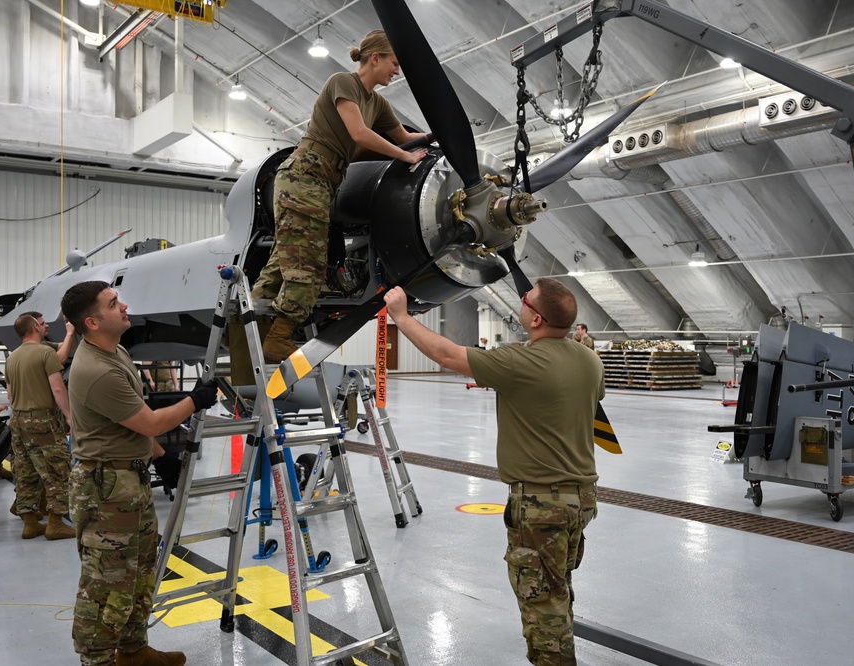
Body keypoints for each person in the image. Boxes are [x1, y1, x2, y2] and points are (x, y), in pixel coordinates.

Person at [384, 279, 605, 666]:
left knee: (542, 604)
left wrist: (400, 317)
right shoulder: (589, 360)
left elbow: (450, 356)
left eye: (525, 300)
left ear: (536, 319)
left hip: (540, 504)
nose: (521, 302)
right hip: (581, 499)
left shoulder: (521, 362)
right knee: (558, 588)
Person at [61, 280, 218, 666]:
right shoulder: (98, 369)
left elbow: (128, 426)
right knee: (105, 582)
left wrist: (162, 457)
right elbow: (148, 422)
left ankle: (132, 650)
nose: (125, 306)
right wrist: (194, 400)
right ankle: (96, 660)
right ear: (93, 322)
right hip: (105, 491)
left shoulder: (116, 353)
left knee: (141, 572)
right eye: (114, 304)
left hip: (128, 481)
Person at [252, 29, 430, 362]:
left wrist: (433, 137)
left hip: (323, 181)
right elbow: (359, 133)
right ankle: (276, 338)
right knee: (309, 264)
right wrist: (404, 156)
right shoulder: (343, 82)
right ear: (375, 58)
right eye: (394, 63)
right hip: (305, 174)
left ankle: (253, 325)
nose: (397, 71)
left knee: (282, 261)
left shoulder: (378, 103)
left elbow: (404, 136)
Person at [6, 312, 76, 540]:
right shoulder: (45, 353)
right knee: (57, 470)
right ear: (35, 327)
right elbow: (57, 389)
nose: (46, 326)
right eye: (43, 323)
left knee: (25, 470)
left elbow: (10, 394)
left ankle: (29, 523)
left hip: (18, 420)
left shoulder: (11, 358)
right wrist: (69, 417)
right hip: (43, 420)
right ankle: (55, 524)